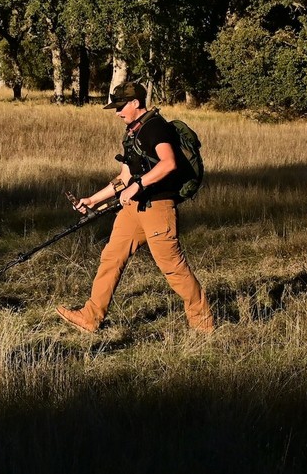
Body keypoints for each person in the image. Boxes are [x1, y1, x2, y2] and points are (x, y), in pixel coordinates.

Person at [55, 82, 214, 333]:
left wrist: (138, 186)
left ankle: (203, 324)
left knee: (173, 267)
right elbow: (124, 176)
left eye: (121, 107)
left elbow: (168, 163)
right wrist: (93, 199)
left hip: (158, 208)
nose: (117, 113)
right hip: (134, 209)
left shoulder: (155, 128)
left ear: (136, 103)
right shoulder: (132, 132)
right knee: (111, 257)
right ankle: (91, 316)